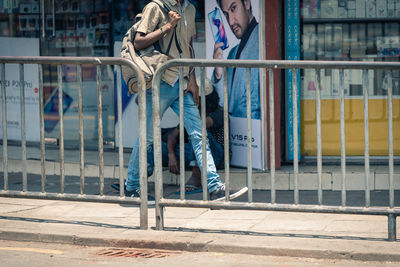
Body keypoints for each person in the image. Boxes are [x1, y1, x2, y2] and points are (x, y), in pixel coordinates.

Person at [125, 0, 247, 201]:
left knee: (199, 134)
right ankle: (131, 186)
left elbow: (188, 46)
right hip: (158, 80)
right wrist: (167, 26)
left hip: (181, 82)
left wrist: (192, 79)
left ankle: (214, 187)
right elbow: (139, 41)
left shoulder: (190, 9)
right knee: (147, 138)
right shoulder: (155, 7)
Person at [161, 78, 225, 194]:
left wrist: (193, 114)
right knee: (156, 144)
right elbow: (172, 136)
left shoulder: (219, 113)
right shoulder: (191, 116)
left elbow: (203, 124)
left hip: (217, 157)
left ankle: (197, 176)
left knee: (197, 132)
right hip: (193, 153)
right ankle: (136, 181)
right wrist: (171, 155)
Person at [212, 0, 260, 119]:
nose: (231, 21)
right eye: (226, 14)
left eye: (233, 8)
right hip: (236, 130)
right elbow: (222, 102)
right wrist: (218, 73)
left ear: (247, 4)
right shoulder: (233, 53)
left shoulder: (264, 42)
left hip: (255, 129)